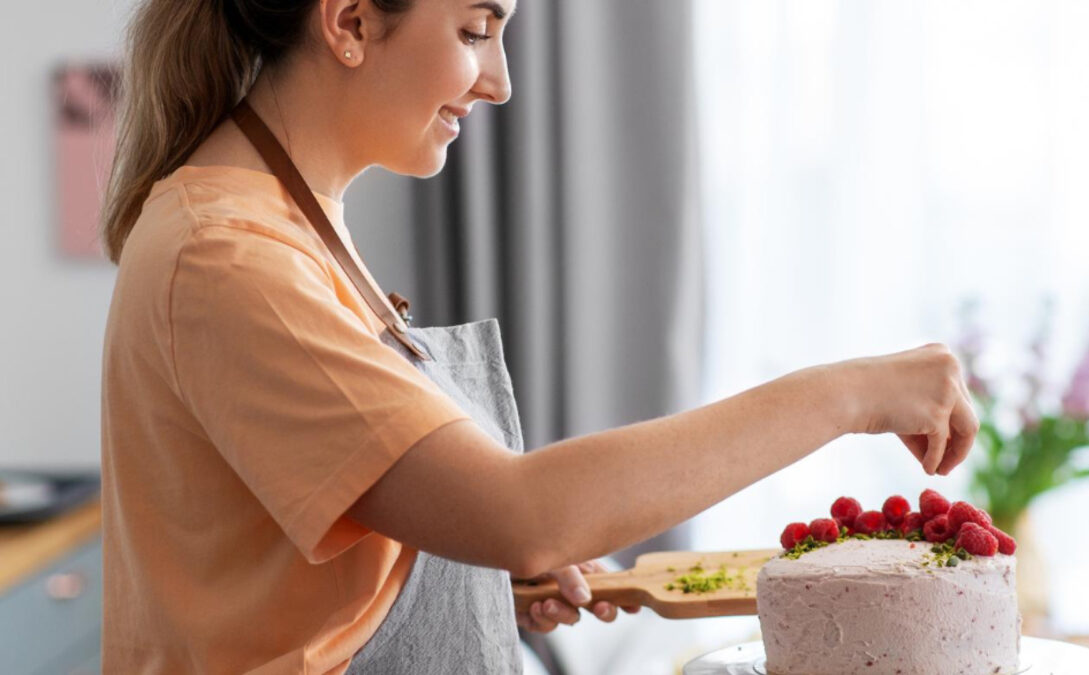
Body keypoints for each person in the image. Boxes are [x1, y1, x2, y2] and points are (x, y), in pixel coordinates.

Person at [98, 0, 979, 672]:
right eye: (478, 29)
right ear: (352, 22)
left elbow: (317, 531)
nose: (500, 81)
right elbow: (527, 514)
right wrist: (850, 393)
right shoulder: (230, 253)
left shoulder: (291, 221)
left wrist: (463, 575)